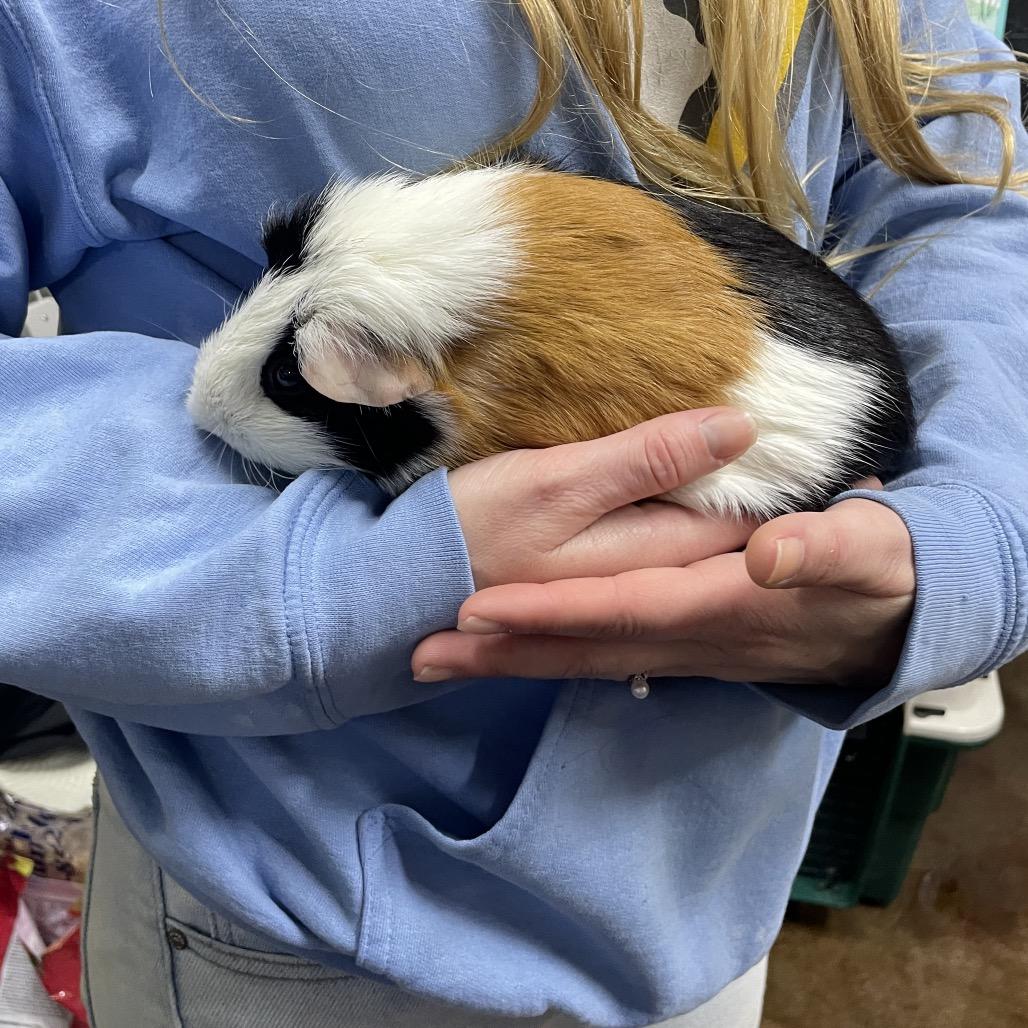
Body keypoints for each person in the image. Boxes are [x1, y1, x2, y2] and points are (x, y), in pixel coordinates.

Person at [1, 0, 1025, 1025]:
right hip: (295, 907)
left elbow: (951, 168)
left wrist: (962, 537)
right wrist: (335, 573)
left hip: (716, 862)